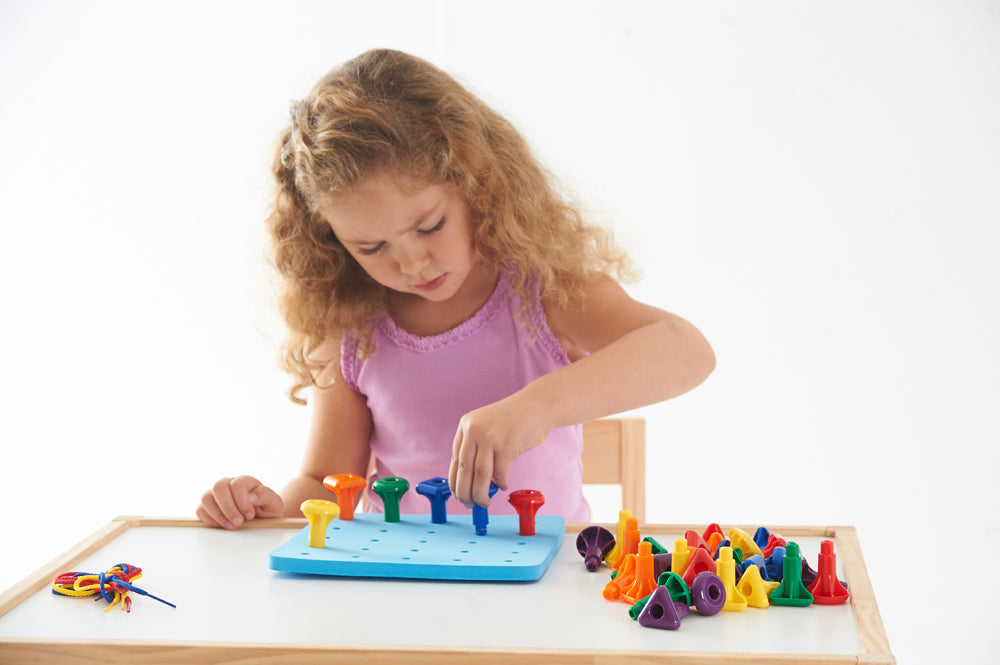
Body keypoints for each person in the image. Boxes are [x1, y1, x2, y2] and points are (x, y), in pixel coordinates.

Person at [196, 49, 715, 530]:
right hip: (408, 593)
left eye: (429, 227)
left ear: (477, 183)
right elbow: (325, 484)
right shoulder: (353, 327)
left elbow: (686, 350)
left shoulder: (540, 290)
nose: (412, 262)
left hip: (548, 589)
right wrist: (270, 510)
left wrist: (537, 407)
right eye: (372, 248)